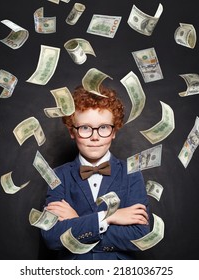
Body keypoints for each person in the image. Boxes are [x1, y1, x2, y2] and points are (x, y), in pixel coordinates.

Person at [40, 85, 150, 260]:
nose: (95, 137)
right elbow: (52, 237)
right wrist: (106, 218)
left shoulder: (132, 173)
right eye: (85, 128)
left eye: (104, 127)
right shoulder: (58, 176)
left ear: (114, 131)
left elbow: (140, 236)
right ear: (71, 131)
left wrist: (77, 222)